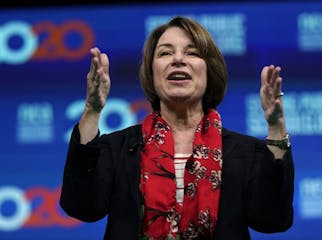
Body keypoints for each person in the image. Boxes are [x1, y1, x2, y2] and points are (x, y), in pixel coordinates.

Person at [60, 16, 294, 240]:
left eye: (191, 52)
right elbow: (82, 206)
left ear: (209, 71)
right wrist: (92, 110)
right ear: (152, 73)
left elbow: (273, 219)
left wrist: (275, 127)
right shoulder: (119, 148)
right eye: (165, 53)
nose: (178, 59)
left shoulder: (245, 152)